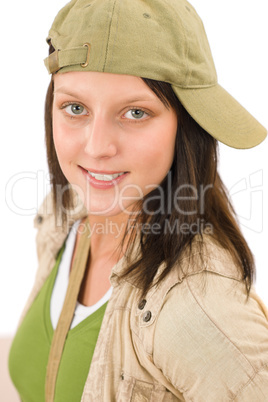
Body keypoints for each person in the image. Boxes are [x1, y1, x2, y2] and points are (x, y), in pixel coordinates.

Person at [8, 0, 268, 400]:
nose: (96, 148)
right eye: (75, 108)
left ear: (188, 126)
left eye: (134, 113)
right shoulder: (61, 219)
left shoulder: (197, 306)